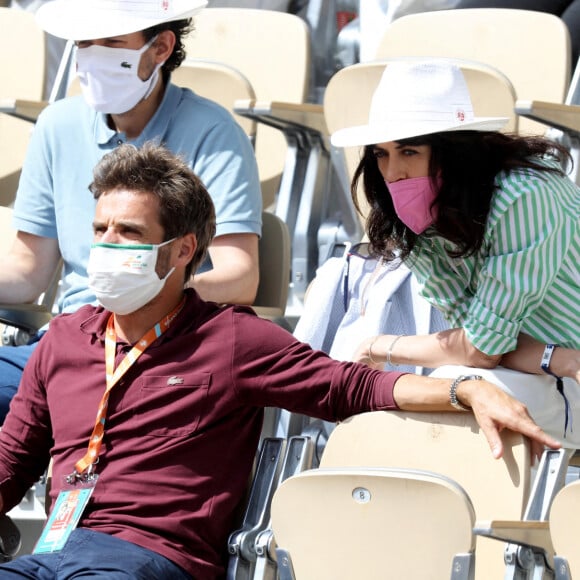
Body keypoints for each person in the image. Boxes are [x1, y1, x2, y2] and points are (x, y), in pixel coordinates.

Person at [0, 142, 560, 579]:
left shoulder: (234, 340)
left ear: (182, 250)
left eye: (129, 232)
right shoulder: (64, 339)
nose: (108, 247)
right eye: (101, 230)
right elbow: (12, 460)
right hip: (52, 548)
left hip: (146, 559)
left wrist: (465, 390)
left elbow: (352, 388)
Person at [0, 0, 262, 421]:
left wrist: (144, 299)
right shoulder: (56, 125)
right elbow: (28, 271)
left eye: (112, 42)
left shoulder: (214, 132)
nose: (93, 54)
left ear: (160, 47)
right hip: (67, 342)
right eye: (85, 42)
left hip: (167, 348)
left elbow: (240, 275)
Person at [331, 60, 580, 446]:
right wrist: (556, 357)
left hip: (566, 383)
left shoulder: (525, 196)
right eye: (380, 154)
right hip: (549, 370)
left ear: (454, 151)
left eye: (409, 151)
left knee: (458, 392)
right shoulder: (421, 215)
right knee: (455, 391)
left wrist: (376, 346)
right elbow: (480, 345)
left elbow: (478, 350)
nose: (392, 171)